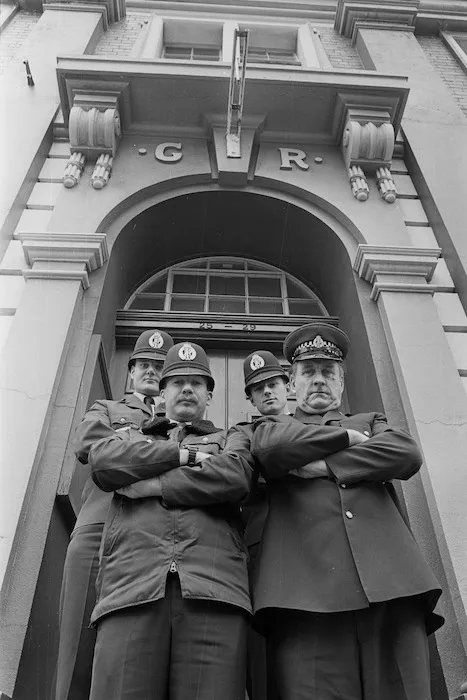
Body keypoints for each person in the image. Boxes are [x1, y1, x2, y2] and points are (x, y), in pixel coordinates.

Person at [250, 322, 443, 700]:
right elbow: (270, 451)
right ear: (291, 385)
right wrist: (349, 442)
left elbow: (405, 453)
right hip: (306, 599)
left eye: (328, 373)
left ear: (341, 383)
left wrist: (325, 466)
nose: (318, 380)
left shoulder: (371, 421)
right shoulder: (274, 425)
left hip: (391, 590)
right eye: (308, 373)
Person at [83, 341, 254, 700]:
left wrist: (153, 483)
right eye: (177, 382)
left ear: (210, 394)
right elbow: (103, 463)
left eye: (197, 382)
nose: (187, 389)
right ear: (161, 393)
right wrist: (187, 456)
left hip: (214, 587)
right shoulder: (131, 435)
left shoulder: (231, 437)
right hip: (130, 586)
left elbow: (235, 476)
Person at [55, 329, 173, 700]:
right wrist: (152, 446)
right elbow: (90, 447)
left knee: (135, 652)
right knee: (78, 641)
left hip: (153, 535)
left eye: (159, 366)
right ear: (131, 372)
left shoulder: (185, 417)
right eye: (145, 365)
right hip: (99, 529)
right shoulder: (106, 409)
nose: (151, 371)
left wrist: (125, 447)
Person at [239, 350, 289, 700]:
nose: (268, 392)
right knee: (263, 646)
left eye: (273, 383)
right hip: (263, 546)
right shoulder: (242, 434)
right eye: (259, 389)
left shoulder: (315, 424)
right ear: (251, 398)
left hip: (314, 541)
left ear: (288, 386)